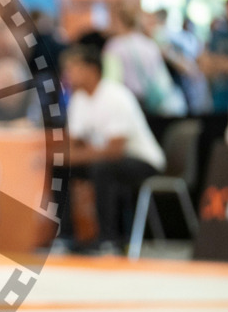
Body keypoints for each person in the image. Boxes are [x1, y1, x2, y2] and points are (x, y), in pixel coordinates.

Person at [56, 44, 166, 255]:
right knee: (61, 167)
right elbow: (73, 144)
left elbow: (115, 151)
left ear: (91, 69)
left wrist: (74, 154)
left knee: (101, 168)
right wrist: (61, 157)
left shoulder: (116, 96)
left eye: (72, 68)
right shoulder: (78, 99)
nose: (67, 74)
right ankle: (66, 238)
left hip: (143, 160)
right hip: (106, 159)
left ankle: (108, 240)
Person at [102, 4, 185, 116]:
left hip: (128, 105)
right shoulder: (150, 45)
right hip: (152, 102)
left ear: (118, 21)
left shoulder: (114, 47)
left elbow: (112, 82)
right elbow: (160, 77)